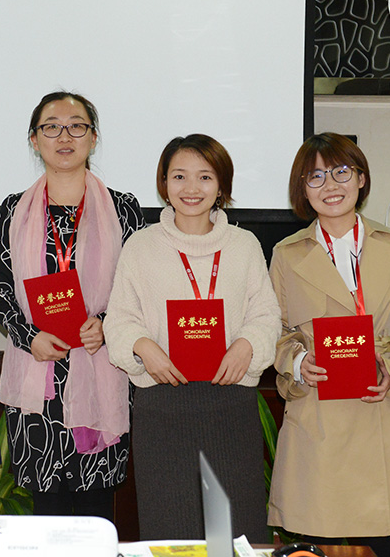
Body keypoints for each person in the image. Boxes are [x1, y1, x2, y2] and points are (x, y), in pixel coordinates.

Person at [267, 133, 390, 557]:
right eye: (316, 176)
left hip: (383, 406)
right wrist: (299, 362)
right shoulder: (287, 254)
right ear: (303, 189)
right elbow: (276, 330)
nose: (330, 185)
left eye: (341, 172)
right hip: (319, 413)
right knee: (318, 543)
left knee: (385, 543)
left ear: (361, 179)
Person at [105, 134, 280, 540]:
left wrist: (247, 344)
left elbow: (266, 314)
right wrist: (143, 347)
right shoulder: (141, 246)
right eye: (179, 176)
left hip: (230, 404)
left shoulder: (244, 245)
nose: (191, 188)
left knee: (236, 532)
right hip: (163, 407)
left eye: (205, 176)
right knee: (171, 530)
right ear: (164, 183)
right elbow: (119, 319)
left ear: (221, 186)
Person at [0, 91, 143, 520]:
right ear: (34, 139)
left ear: (93, 138)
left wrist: (107, 323)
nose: (64, 136)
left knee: (96, 513)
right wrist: (29, 337)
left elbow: (138, 289)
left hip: (102, 372)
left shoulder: (124, 209)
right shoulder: (12, 211)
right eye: (51, 127)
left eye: (77, 126)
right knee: (47, 514)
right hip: (38, 377)